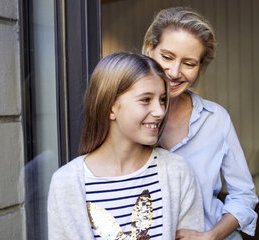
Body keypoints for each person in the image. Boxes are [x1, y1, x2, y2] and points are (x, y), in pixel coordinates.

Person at [47, 52, 204, 240]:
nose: (160, 111)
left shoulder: (177, 172)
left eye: (162, 99)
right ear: (110, 107)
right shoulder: (65, 183)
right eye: (146, 99)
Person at [142, 7, 258, 240]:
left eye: (189, 63)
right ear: (149, 49)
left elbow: (244, 195)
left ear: (200, 67)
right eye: (167, 57)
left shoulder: (216, 118)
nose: (174, 72)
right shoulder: (125, 116)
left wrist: (213, 235)